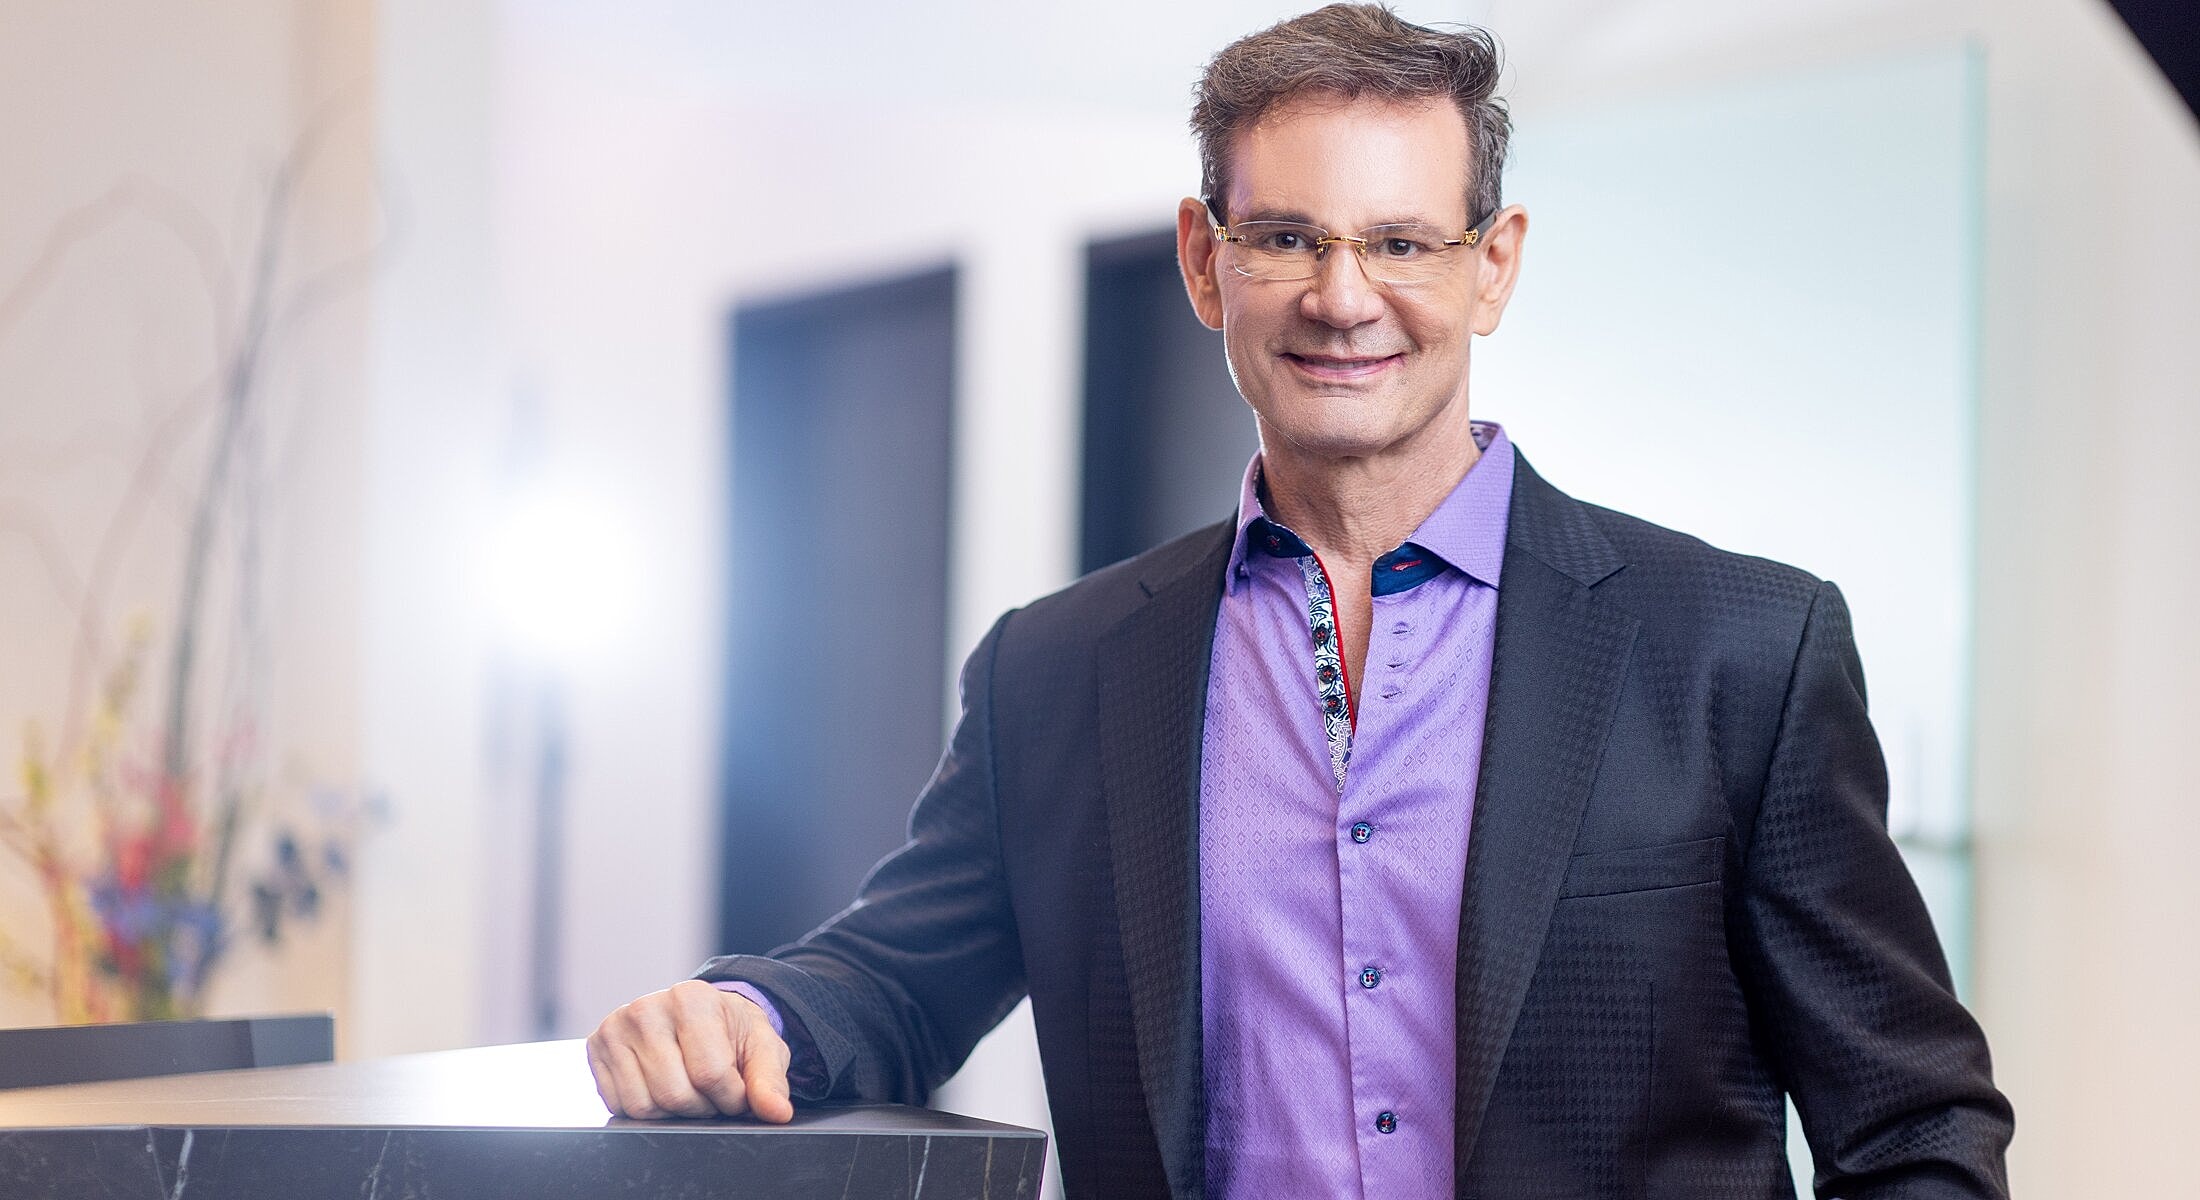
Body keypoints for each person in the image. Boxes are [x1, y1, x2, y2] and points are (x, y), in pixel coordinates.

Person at [587, 5, 2014, 1197]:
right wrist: (743, 1014)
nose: (1344, 297)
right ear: (1209, 263)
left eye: (1402, 242)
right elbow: (896, 984)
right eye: (1287, 239)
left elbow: (1916, 1128)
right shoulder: (1058, 672)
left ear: (1492, 264)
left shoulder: (1738, 653)